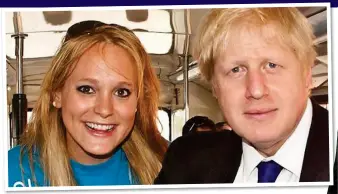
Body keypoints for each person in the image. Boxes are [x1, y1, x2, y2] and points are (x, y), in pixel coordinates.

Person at [154, 7, 330, 184]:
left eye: (271, 65)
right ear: (215, 87)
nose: (256, 90)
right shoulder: (185, 161)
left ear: (307, 75)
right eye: (236, 70)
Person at [8, 20, 168, 187]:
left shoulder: (171, 165)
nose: (104, 109)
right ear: (57, 94)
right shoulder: (11, 172)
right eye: (86, 89)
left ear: (138, 101)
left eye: (121, 92)